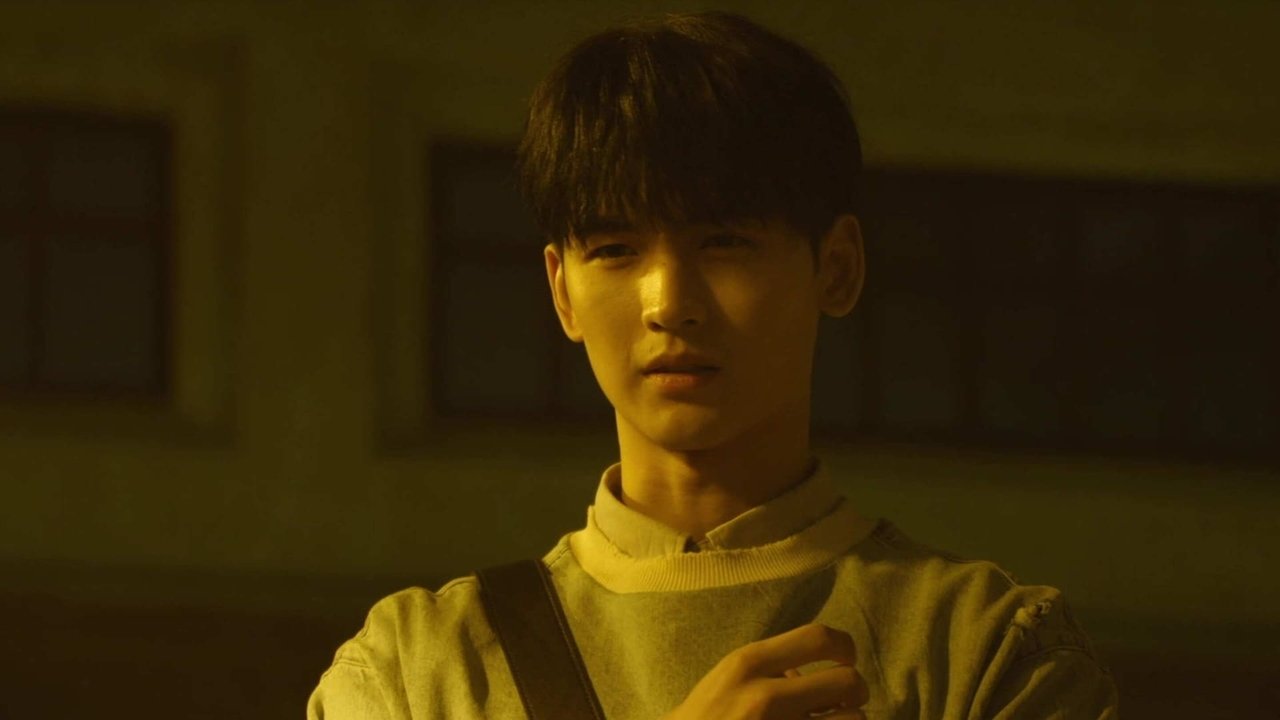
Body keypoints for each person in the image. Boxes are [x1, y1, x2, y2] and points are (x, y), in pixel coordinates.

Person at [308, 11, 1119, 719]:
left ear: (836, 267)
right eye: (616, 249)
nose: (669, 303)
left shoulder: (983, 650)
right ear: (562, 292)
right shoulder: (420, 666)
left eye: (724, 242)